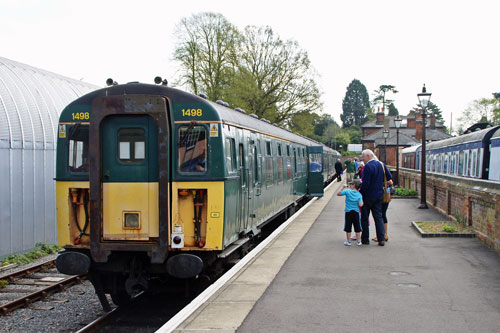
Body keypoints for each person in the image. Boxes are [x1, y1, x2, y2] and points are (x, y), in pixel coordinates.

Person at [359, 149, 386, 246]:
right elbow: (386, 178)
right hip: (378, 195)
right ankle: (381, 238)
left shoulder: (367, 167)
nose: (362, 159)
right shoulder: (380, 165)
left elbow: (365, 183)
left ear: (368, 156)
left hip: (367, 196)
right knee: (378, 217)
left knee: (365, 218)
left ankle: (365, 239)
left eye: (363, 157)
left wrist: (360, 193)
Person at [337, 180, 364, 246]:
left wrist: (343, 187)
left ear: (354, 185)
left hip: (348, 212)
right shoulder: (359, 195)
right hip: (356, 212)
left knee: (348, 227)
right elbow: (361, 205)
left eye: (352, 184)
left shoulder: (347, 191)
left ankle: (348, 241)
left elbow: (338, 194)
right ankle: (358, 241)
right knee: (357, 227)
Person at [372, 161, 393, 242]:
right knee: (383, 215)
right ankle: (385, 234)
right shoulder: (383, 166)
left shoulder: (373, 167)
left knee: (378, 216)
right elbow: (390, 180)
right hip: (385, 195)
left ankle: (380, 236)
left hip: (378, 195)